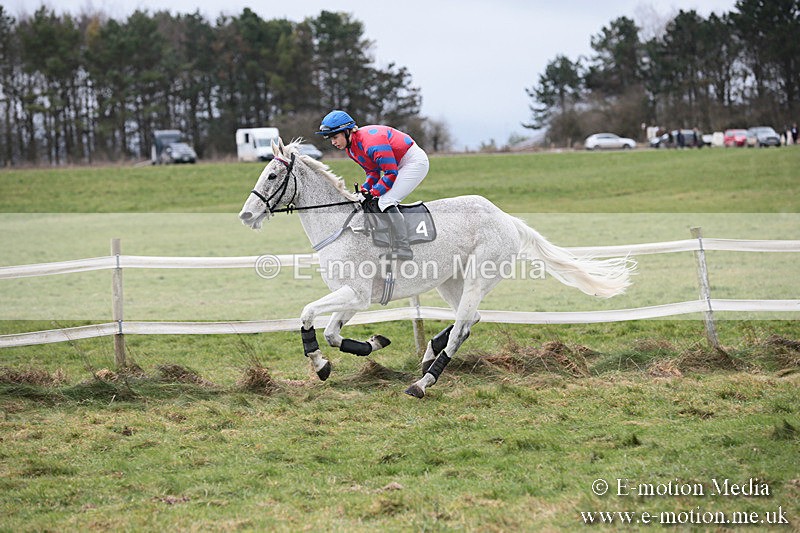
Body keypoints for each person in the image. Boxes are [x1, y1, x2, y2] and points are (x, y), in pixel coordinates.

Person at [316, 110, 429, 260]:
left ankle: (404, 248)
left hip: (414, 162)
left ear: (347, 131)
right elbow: (373, 172)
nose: (333, 142)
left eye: (335, 137)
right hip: (398, 164)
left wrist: (374, 192)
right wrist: (364, 191)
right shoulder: (351, 149)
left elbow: (390, 173)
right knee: (372, 199)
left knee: (386, 201)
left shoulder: (372, 143)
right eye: (330, 139)